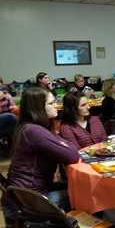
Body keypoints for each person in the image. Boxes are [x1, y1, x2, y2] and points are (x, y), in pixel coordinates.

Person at [1, 87, 79, 218]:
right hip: (26, 203)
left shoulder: (29, 127)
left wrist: (63, 145)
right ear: (37, 108)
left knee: (78, 184)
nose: (56, 106)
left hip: (21, 196)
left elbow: (70, 148)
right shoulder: (34, 131)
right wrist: (63, 145)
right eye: (51, 103)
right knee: (87, 192)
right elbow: (73, 155)